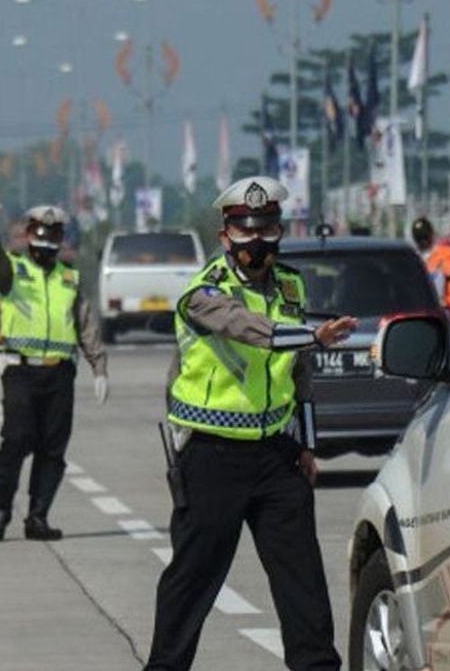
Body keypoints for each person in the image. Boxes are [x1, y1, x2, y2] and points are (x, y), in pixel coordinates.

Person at [144, 175, 357, 671]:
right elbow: (248, 330)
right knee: (192, 582)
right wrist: (312, 336)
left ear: (280, 231)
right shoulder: (203, 294)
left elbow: (300, 375)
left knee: (303, 582)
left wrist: (307, 444)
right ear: (225, 236)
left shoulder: (290, 286)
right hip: (211, 456)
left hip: (276, 457)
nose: (256, 242)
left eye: (265, 229)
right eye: (245, 231)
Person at [0, 186, 108, 542]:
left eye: (53, 234)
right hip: (20, 369)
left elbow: (85, 322)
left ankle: (38, 517)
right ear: (29, 235)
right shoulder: (13, 270)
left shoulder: (70, 277)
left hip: (60, 370)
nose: (46, 240)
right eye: (40, 233)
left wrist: (99, 366)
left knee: (53, 446)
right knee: (17, 439)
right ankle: (1, 510)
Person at [410, 216, 449, 299]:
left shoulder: (447, 254)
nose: (423, 241)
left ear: (431, 235)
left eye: (425, 236)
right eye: (419, 238)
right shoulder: (411, 258)